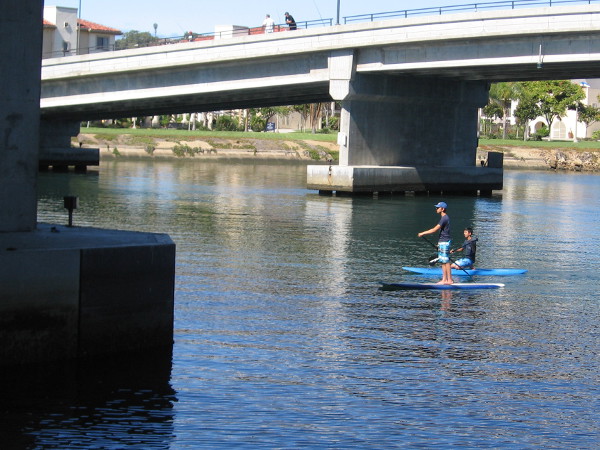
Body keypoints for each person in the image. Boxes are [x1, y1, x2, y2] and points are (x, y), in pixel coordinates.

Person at [418, 202, 453, 285]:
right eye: (436, 207)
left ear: (442, 209)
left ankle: (450, 280)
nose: (436, 209)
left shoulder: (445, 218)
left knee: (446, 261)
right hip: (442, 241)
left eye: (438, 208)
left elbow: (434, 230)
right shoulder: (443, 218)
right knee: (442, 261)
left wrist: (422, 233)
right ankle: (444, 279)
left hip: (445, 241)